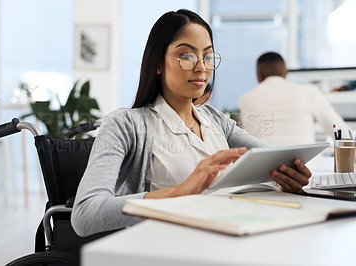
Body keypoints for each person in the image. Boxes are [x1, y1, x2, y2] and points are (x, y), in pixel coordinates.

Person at [71, 10, 312, 237]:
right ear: (157, 63)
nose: (200, 67)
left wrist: (288, 176)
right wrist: (180, 191)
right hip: (167, 247)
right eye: (186, 55)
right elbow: (85, 214)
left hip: (228, 235)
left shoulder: (215, 120)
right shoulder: (126, 124)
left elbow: (273, 160)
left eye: (207, 56)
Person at [239, 52, 350, 146]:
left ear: (258, 75)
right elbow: (341, 133)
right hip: (306, 168)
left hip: (263, 169)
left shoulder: (245, 99)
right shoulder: (310, 92)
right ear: (286, 73)